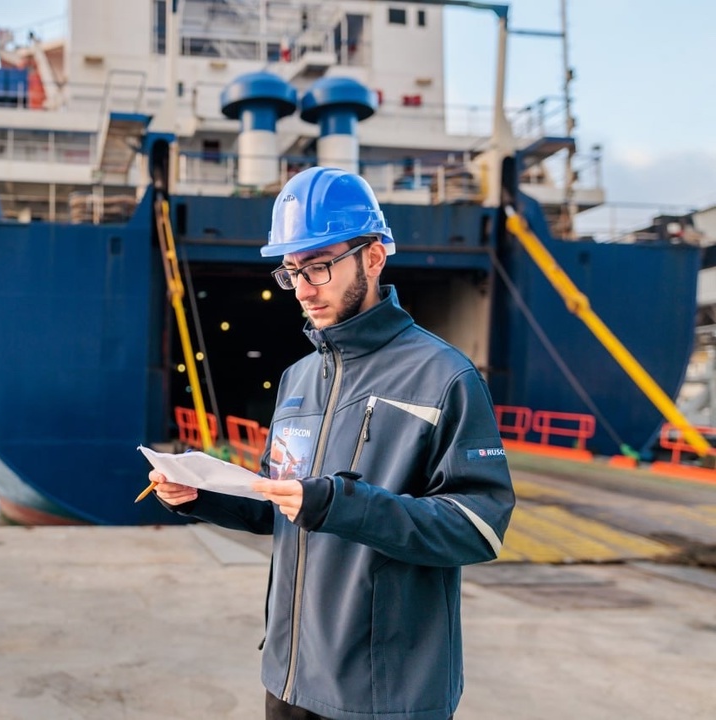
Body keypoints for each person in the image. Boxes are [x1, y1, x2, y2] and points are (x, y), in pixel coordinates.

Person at [149, 166, 515, 720]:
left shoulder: (444, 376)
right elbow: (284, 504)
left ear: (373, 256)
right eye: (291, 271)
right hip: (290, 678)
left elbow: (480, 527)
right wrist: (200, 495)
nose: (303, 288)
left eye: (319, 266)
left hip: (383, 695)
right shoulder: (298, 380)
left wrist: (345, 506)